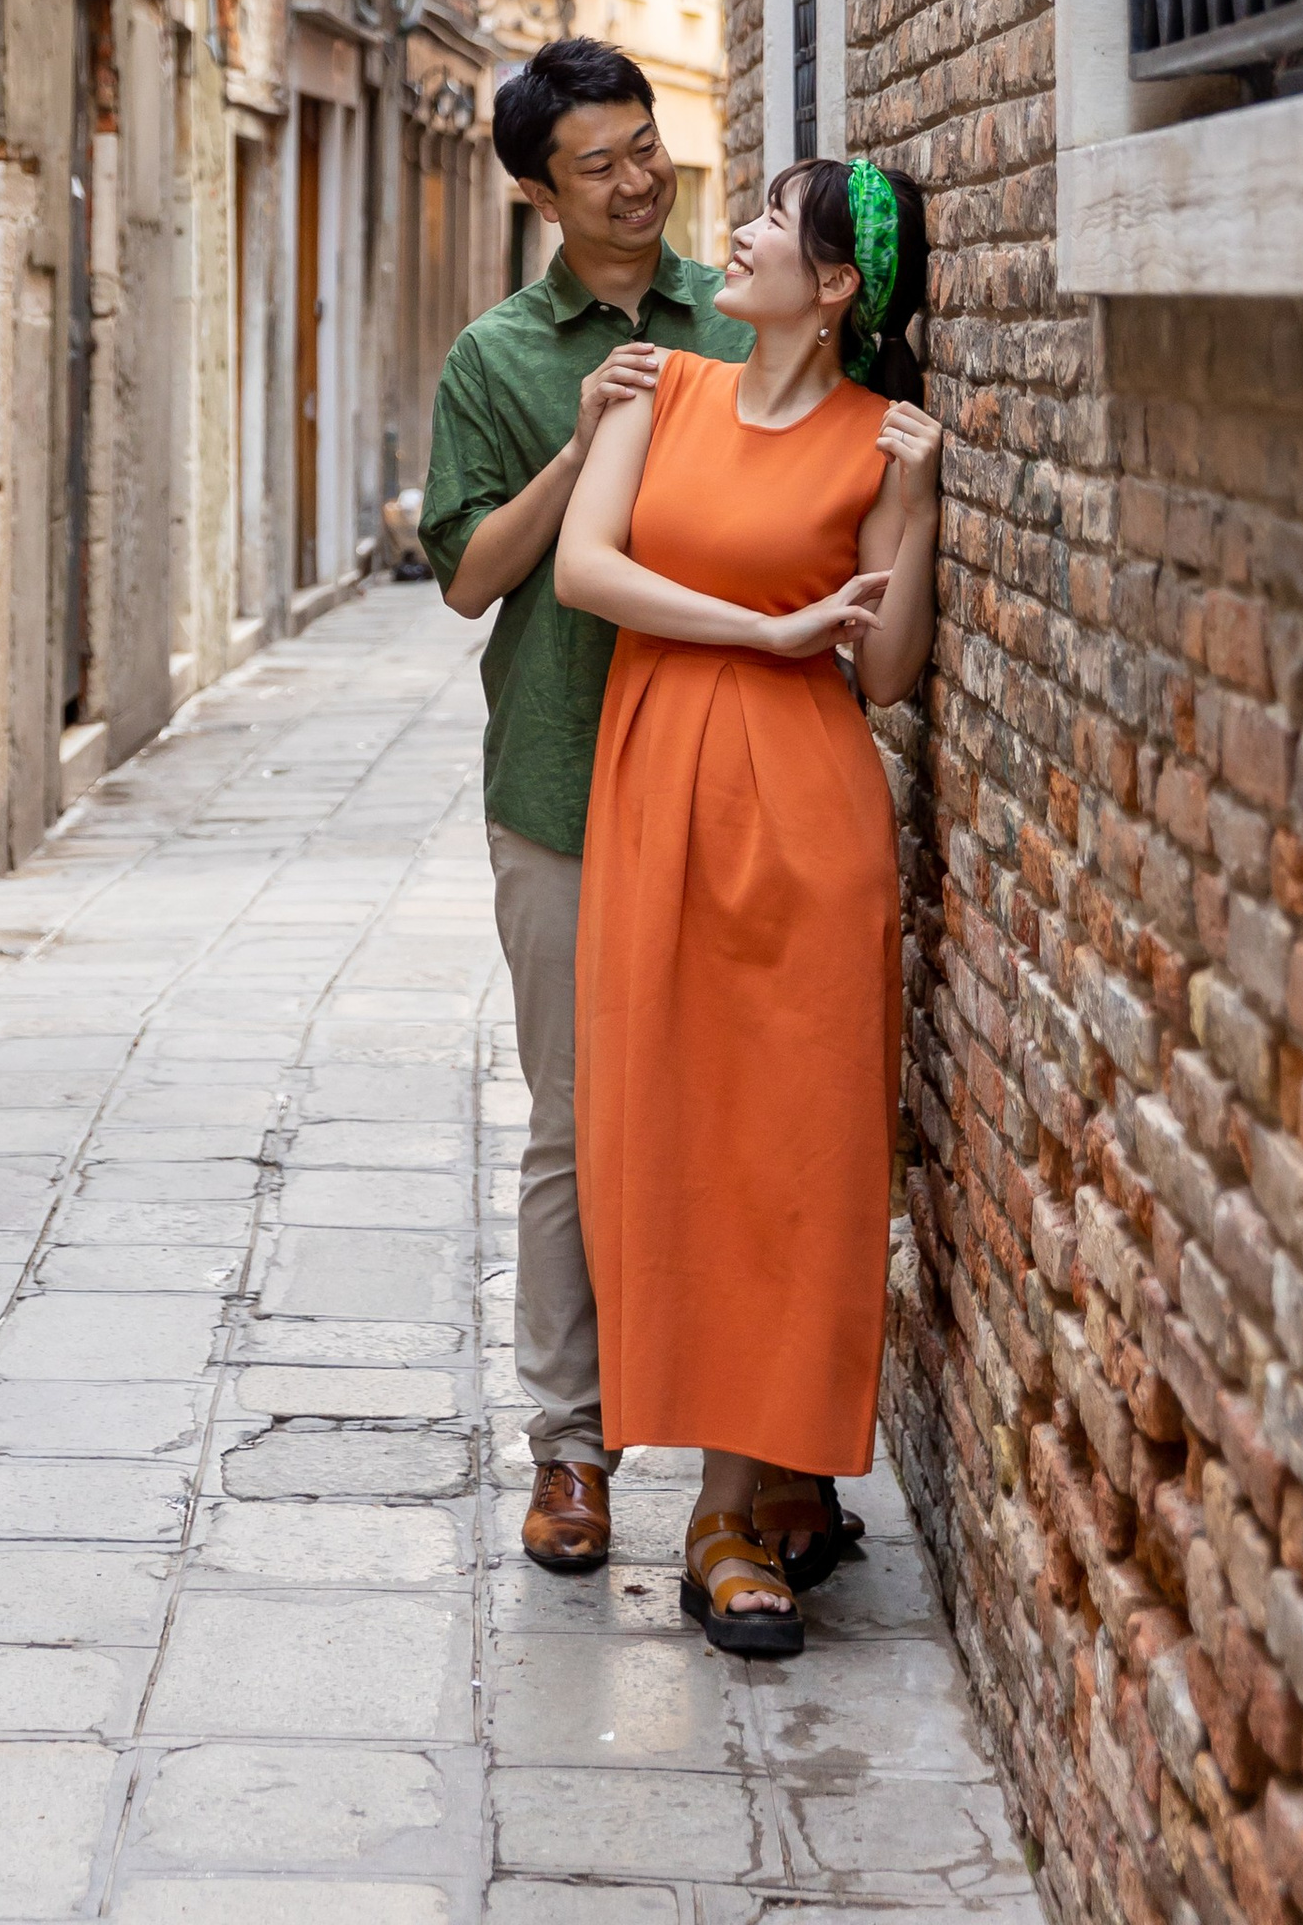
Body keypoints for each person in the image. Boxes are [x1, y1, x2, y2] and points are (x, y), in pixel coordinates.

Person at [554, 154, 942, 1656]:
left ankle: (733, 1510)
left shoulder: (873, 444)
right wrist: (763, 626)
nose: (738, 233)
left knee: (795, 1143)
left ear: (835, 287)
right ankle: (746, 1483)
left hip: (809, 815)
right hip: (658, 791)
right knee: (673, 1130)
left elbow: (890, 672)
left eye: (770, 223)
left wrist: (908, 498)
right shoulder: (663, 385)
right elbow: (590, 573)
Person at [419, 38, 751, 1576]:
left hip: (726, 782)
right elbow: (473, 579)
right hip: (559, 782)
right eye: (601, 164)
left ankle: (750, 1466)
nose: (639, 181)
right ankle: (570, 1452)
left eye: (647, 147)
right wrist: (582, 443)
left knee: (725, 1111)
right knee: (575, 1126)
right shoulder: (496, 358)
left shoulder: (741, 325)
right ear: (539, 190)